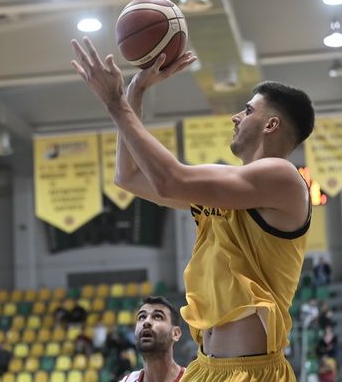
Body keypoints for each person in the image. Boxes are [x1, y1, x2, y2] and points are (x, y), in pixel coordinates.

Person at [71, 36, 314, 381]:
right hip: (205, 366)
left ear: (271, 124)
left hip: (251, 371)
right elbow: (129, 177)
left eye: (247, 110)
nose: (236, 117)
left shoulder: (283, 177)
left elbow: (170, 180)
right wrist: (135, 91)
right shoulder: (230, 187)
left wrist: (116, 103)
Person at [119, 296, 186, 382]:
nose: (146, 322)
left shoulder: (193, 379)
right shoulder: (127, 380)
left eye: (158, 317)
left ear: (175, 333)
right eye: (142, 317)